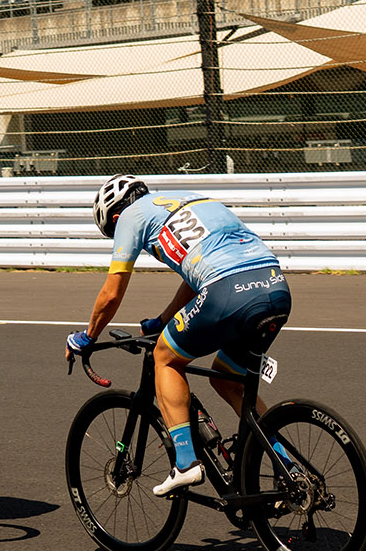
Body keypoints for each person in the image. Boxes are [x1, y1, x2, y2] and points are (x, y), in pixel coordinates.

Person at [68, 175, 291, 496]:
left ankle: (186, 464)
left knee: (165, 358)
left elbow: (112, 293)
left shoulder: (130, 216)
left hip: (227, 291)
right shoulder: (190, 200)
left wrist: (88, 336)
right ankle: (288, 467)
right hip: (275, 286)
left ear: (115, 218)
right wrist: (162, 320)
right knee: (228, 380)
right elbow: (194, 275)